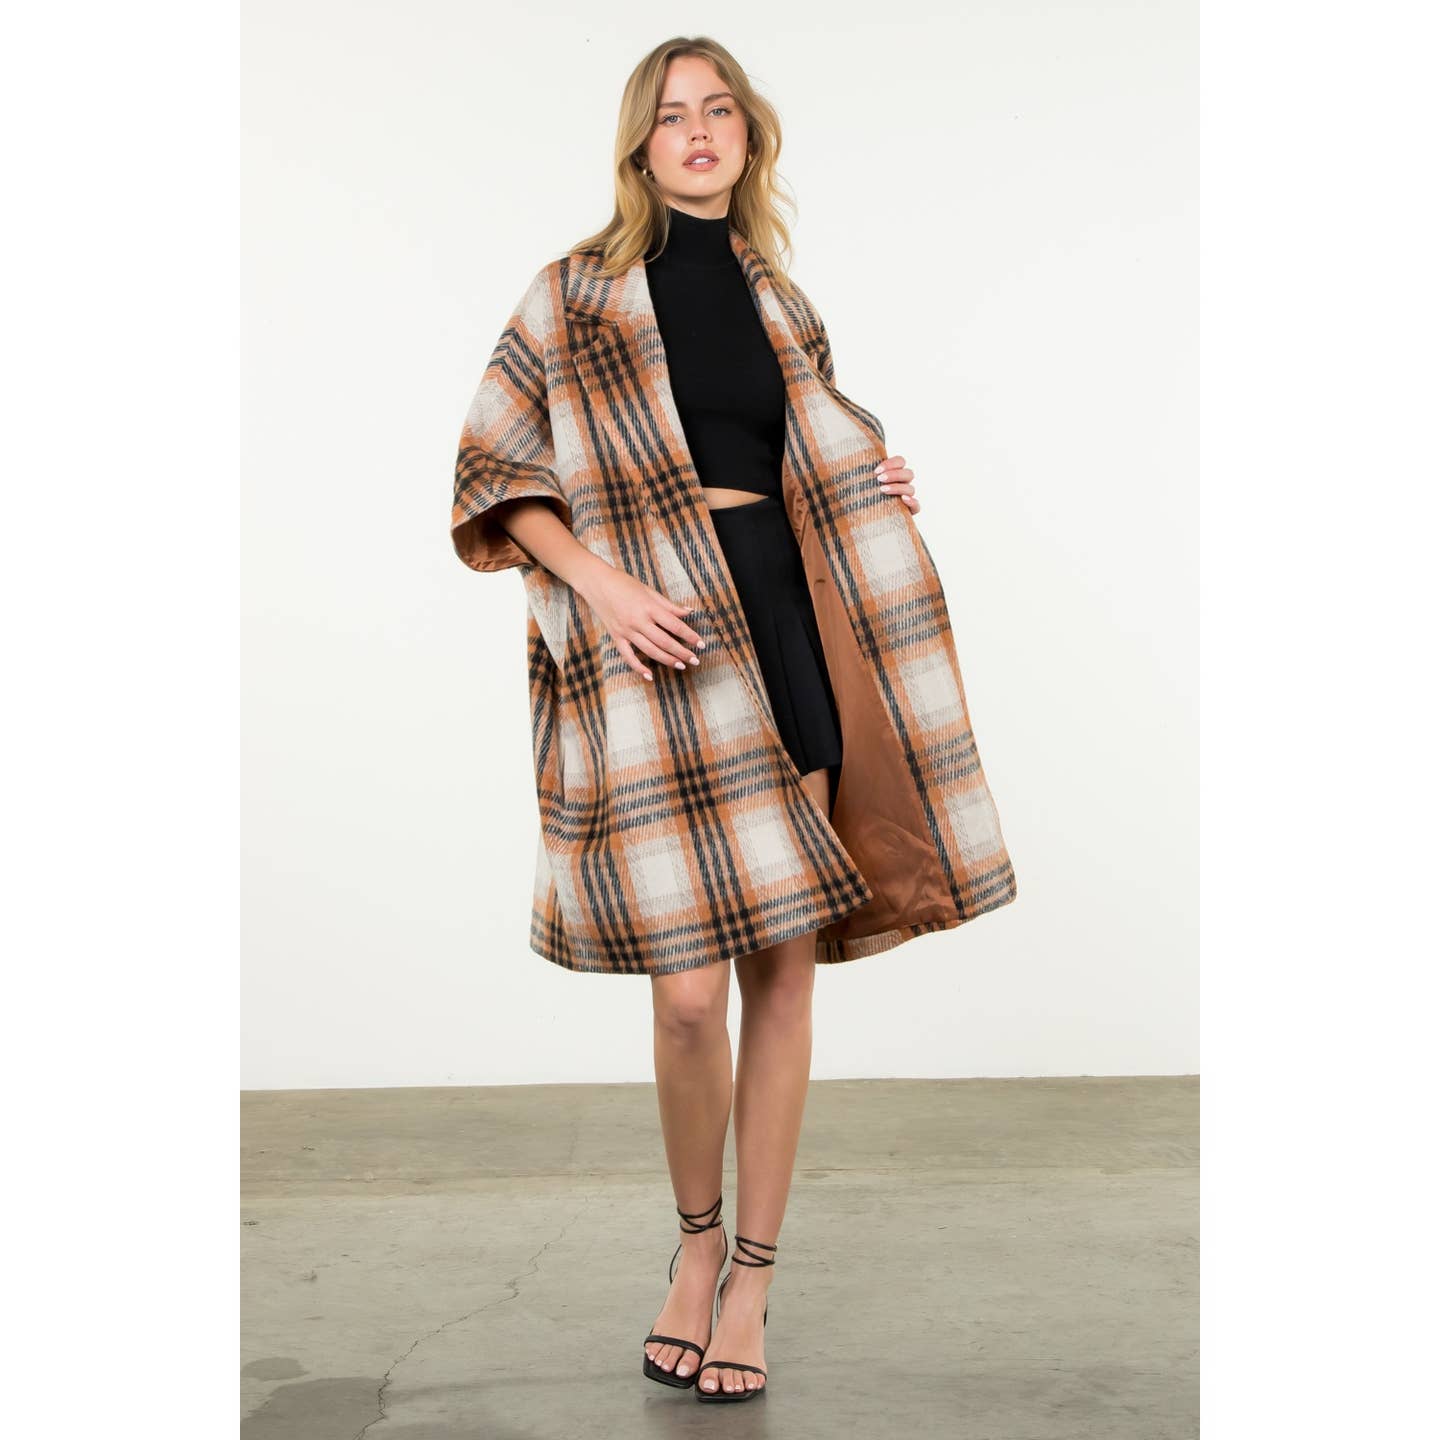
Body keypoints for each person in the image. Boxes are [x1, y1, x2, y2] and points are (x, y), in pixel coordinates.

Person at [453, 35, 1015, 1404]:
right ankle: (693, 1246)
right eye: (670, 116)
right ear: (638, 146)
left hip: (783, 618)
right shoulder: (571, 295)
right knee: (688, 996)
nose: (696, 132)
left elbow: (793, 450)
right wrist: (602, 587)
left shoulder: (783, 302)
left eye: (718, 111)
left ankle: (752, 1276)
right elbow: (491, 470)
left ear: (749, 137)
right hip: (661, 634)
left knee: (780, 973)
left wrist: (865, 475)